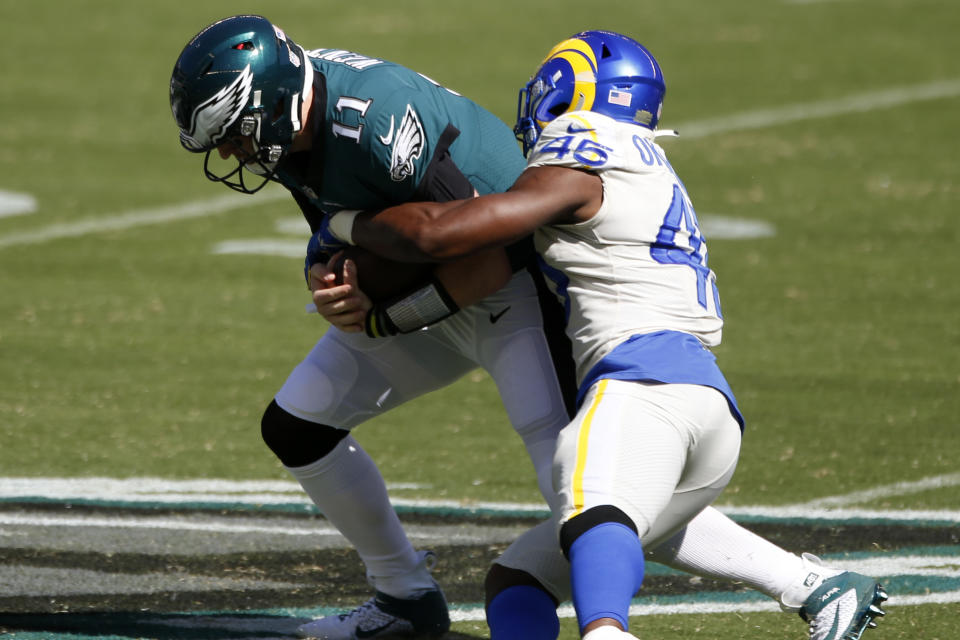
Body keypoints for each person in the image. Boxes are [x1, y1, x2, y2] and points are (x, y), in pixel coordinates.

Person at [319, 30, 889, 640]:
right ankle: (817, 589)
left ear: (564, 91)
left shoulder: (587, 140)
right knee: (519, 578)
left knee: (591, 516)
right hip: (702, 409)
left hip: (641, 387)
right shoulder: (644, 158)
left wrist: (345, 223)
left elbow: (464, 230)